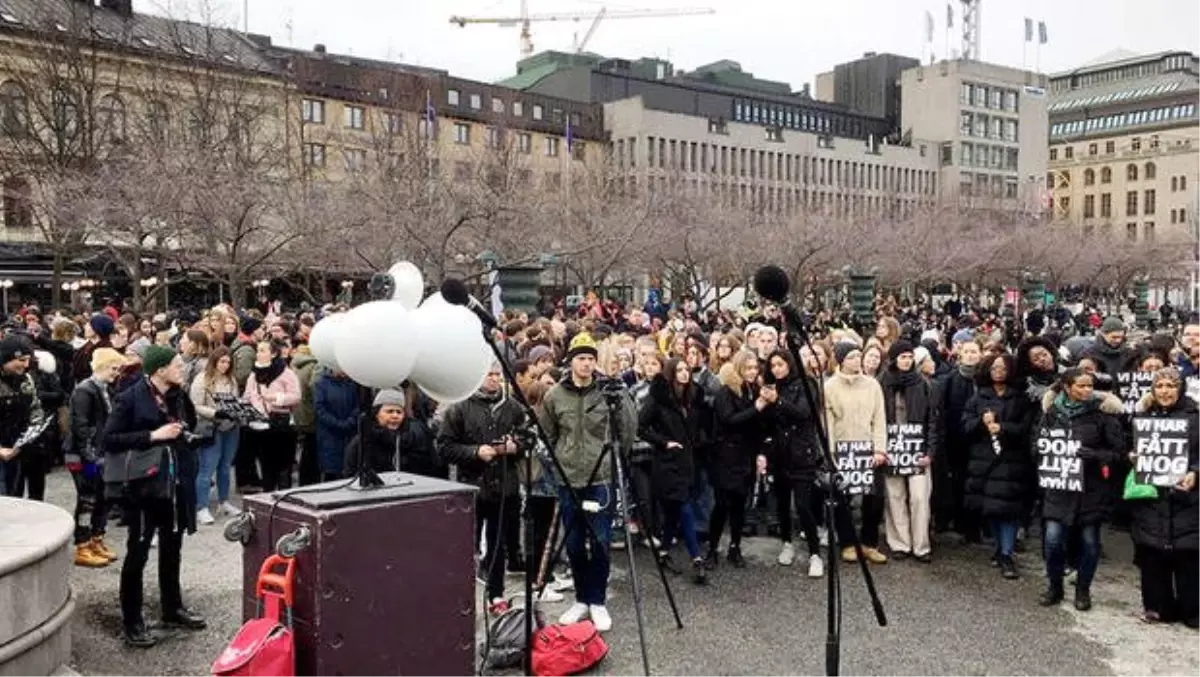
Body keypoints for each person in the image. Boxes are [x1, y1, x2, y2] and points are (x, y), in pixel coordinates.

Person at [102, 345, 206, 648]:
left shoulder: (177, 394)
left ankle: (172, 607)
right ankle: (132, 620)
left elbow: (189, 423)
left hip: (175, 482)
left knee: (173, 546)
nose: (182, 368)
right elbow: (109, 439)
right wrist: (153, 435)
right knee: (139, 550)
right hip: (144, 486)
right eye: (176, 365)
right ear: (159, 369)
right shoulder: (131, 397)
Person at [539, 333, 636, 633]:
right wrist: (556, 467)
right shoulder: (554, 395)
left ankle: (597, 601)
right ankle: (581, 599)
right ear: (571, 361)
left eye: (591, 358)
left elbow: (628, 429)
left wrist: (620, 398)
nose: (586, 364)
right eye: (581, 358)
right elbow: (548, 433)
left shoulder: (605, 392)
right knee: (574, 543)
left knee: (601, 541)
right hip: (569, 478)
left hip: (601, 478)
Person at [437, 365, 526, 615]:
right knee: (466, 546)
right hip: (471, 486)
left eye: (498, 375)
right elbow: (444, 447)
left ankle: (496, 594)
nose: (495, 379)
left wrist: (515, 445)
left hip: (505, 486)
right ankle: (460, 596)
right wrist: (474, 452)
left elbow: (528, 437)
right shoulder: (459, 407)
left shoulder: (513, 406)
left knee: (497, 545)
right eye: (490, 374)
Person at [1037, 367, 1124, 611]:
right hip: (1059, 488)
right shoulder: (1052, 413)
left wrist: (1096, 455)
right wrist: (1044, 451)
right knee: (1053, 541)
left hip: (1091, 490)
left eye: (1089, 386)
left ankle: (1083, 590)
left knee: (1090, 543)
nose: (1087, 390)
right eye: (1081, 386)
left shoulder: (1103, 414)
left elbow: (1118, 453)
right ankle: (1055, 586)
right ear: (1067, 387)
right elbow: (1036, 444)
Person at [1130, 367, 1200, 627]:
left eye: (1170, 385)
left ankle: (1192, 610)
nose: (1165, 391)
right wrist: (1133, 456)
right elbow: (1128, 445)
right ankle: (1157, 607)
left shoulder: (1195, 417)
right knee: (1152, 552)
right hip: (1151, 496)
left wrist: (1196, 472)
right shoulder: (1142, 417)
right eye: (1159, 386)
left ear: (1179, 388)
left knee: (1188, 554)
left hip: (1187, 498)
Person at [638, 357, 710, 585]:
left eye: (686, 369)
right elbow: (640, 427)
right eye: (679, 370)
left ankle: (664, 551)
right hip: (667, 463)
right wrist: (663, 442)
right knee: (684, 507)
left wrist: (700, 441)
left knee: (672, 512)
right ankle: (696, 558)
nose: (684, 373)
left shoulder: (692, 397)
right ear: (671, 373)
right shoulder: (658, 399)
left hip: (688, 461)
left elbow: (699, 426)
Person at [825, 341, 889, 564]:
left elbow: (879, 418)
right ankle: (848, 543)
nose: (857, 360)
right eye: (851, 357)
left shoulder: (872, 385)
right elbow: (829, 422)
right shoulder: (830, 386)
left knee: (874, 498)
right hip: (844, 448)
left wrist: (880, 448)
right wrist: (831, 453)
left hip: (869, 449)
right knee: (843, 499)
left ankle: (869, 543)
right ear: (841, 360)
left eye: (858, 356)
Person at [879, 341, 941, 562]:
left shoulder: (925, 384)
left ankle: (921, 545)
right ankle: (900, 543)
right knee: (895, 497)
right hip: (892, 449)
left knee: (919, 498)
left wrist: (930, 452)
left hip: (917, 450)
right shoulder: (882, 383)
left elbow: (932, 421)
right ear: (894, 359)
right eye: (902, 357)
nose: (906, 361)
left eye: (909, 357)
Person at [765, 349, 825, 578]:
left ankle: (815, 553)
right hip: (779, 453)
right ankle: (786, 542)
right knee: (781, 503)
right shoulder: (772, 386)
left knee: (803, 505)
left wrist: (777, 401)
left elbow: (803, 413)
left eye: (780, 364)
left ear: (790, 363)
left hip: (802, 453)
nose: (777, 369)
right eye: (773, 366)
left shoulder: (806, 383)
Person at [65, 348, 125, 567]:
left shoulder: (105, 388)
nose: (117, 373)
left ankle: (96, 538)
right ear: (102, 366)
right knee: (87, 498)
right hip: (82, 457)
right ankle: (82, 543)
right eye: (114, 368)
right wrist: (89, 455)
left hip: (98, 453)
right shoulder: (84, 390)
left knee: (102, 496)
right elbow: (80, 426)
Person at [708, 350, 768, 569]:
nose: (752, 372)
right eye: (748, 368)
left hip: (746, 455)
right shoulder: (726, 392)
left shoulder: (753, 390)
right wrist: (756, 408)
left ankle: (735, 546)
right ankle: (712, 549)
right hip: (725, 455)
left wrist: (761, 453)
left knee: (739, 505)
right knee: (721, 504)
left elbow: (760, 427)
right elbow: (729, 420)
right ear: (739, 368)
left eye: (755, 368)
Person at [189, 346, 241, 525]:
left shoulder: (231, 380)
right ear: (214, 361)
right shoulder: (202, 379)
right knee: (207, 469)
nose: (225, 365)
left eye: (228, 362)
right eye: (222, 361)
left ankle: (224, 501)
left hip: (231, 427)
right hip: (211, 427)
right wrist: (215, 413)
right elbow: (195, 405)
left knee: (225, 467)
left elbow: (235, 400)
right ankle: (201, 507)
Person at [937, 339, 981, 539]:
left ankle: (973, 524)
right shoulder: (948, 380)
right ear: (960, 355)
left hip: (978, 440)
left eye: (975, 351)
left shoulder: (983, 379)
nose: (971, 355)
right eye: (967, 351)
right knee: (956, 480)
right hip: (955, 440)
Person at [243, 340, 301, 492]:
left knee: (283, 467)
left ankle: (284, 501)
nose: (258, 354)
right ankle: (268, 499)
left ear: (273, 353)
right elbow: (248, 395)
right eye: (258, 350)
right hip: (261, 423)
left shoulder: (286, 373)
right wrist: (251, 406)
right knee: (266, 466)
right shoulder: (254, 373)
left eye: (262, 350)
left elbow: (296, 396)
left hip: (281, 423)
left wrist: (277, 398)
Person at [0, 335, 39, 495]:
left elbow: (35, 408)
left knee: (14, 495)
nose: (26, 365)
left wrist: (32, 432)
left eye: (29, 359)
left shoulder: (25, 379)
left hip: (16, 448)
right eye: (22, 360)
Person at [314, 368, 361, 482]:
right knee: (331, 471)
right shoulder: (321, 384)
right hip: (329, 434)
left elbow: (356, 406)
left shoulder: (351, 384)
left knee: (347, 467)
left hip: (348, 432)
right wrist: (337, 423)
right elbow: (320, 409)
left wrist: (350, 421)